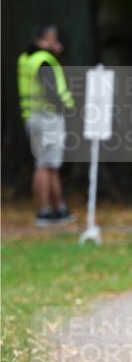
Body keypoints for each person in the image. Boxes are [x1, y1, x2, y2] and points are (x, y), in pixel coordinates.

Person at [17, 24, 76, 227]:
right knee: (45, 164)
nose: (58, 44)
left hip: (33, 117)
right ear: (48, 38)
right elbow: (50, 89)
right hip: (48, 117)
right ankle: (43, 211)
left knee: (50, 164)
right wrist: (66, 107)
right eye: (55, 39)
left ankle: (58, 208)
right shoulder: (43, 61)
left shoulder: (26, 58)